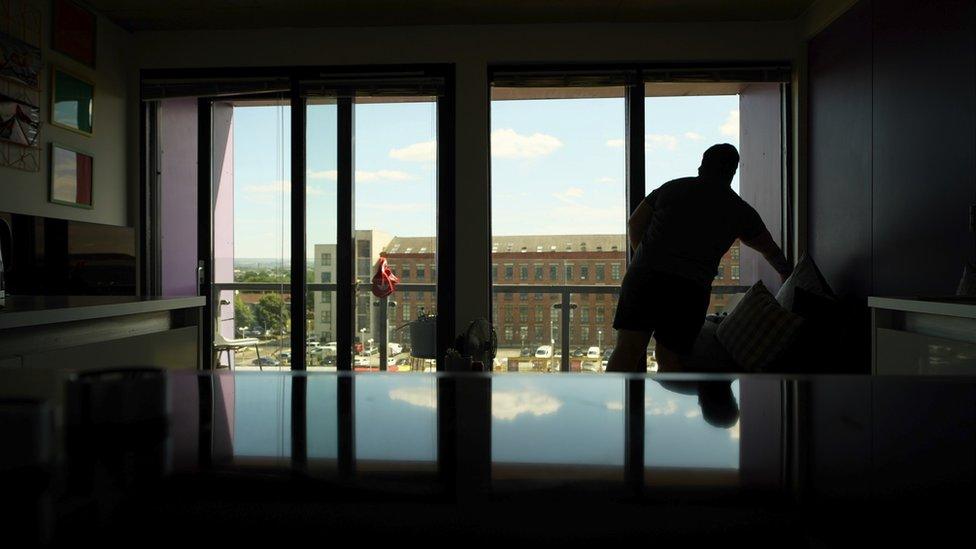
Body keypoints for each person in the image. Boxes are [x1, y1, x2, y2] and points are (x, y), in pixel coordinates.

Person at [607, 144, 792, 373]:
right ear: (732, 171)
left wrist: (644, 257)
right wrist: (785, 272)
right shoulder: (739, 210)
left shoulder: (672, 188)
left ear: (702, 164)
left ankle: (619, 408)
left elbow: (635, 223)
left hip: (645, 278)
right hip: (689, 289)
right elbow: (769, 249)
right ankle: (666, 407)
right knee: (669, 358)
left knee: (627, 350)